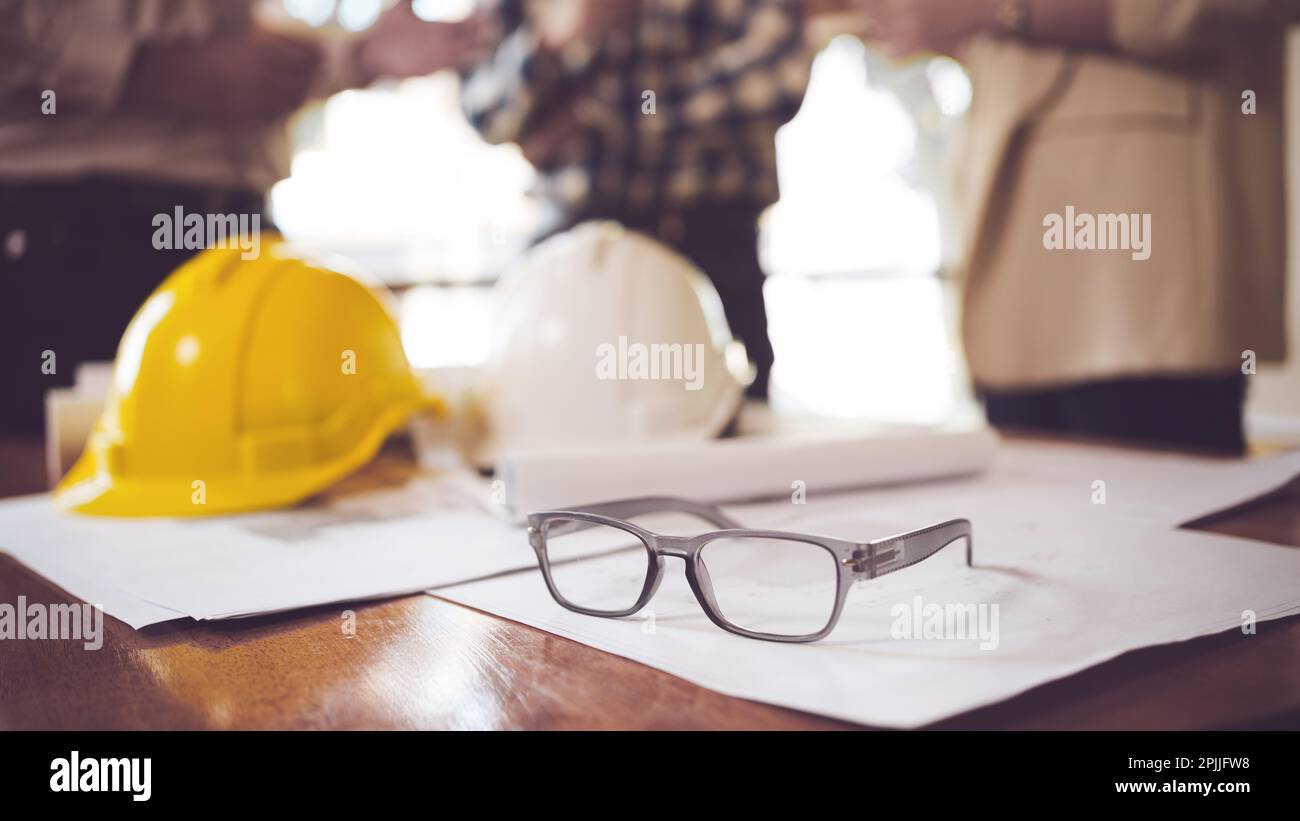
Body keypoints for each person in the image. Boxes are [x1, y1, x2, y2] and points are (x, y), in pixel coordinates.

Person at [0, 0, 479, 434]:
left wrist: (361, 55)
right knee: (49, 512)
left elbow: (242, 70)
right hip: (71, 233)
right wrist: (135, 64)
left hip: (237, 234)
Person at [851, 0, 1297, 453]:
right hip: (1016, 240)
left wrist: (989, 10)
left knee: (1145, 498)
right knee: (1036, 505)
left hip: (1140, 246)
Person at [456, 0, 811, 400]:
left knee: (736, 421)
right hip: (573, 246)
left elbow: (782, 77)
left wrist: (601, 110)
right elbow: (483, 109)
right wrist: (550, 43)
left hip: (715, 238)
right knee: (545, 408)